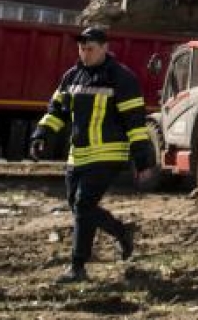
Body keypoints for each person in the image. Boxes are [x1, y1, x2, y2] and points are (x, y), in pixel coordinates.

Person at [29, 26, 156, 283]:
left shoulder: (122, 78)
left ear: (105, 48)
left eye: (90, 49)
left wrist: (142, 160)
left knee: (83, 205)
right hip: (78, 156)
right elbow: (57, 111)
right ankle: (121, 232)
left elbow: (135, 121)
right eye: (81, 49)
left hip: (108, 155)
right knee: (78, 207)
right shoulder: (72, 76)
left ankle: (77, 267)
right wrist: (41, 135)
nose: (85, 54)